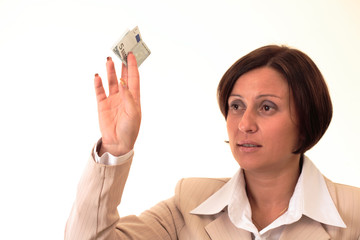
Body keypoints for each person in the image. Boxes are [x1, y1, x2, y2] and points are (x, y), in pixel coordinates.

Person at [65, 46, 360, 240]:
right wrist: (115, 150)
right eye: (236, 106)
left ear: (307, 119)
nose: (244, 124)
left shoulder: (353, 214)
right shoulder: (189, 204)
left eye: (267, 107)